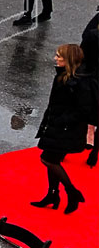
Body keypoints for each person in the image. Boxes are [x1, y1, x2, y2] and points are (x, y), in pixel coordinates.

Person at [30, 44, 97, 213]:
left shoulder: (80, 82)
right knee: (52, 160)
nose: (55, 58)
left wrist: (61, 121)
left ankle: (71, 192)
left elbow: (84, 110)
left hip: (66, 129)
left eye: (59, 56)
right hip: (57, 126)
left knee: (48, 160)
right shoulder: (63, 76)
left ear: (69, 60)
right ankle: (53, 195)